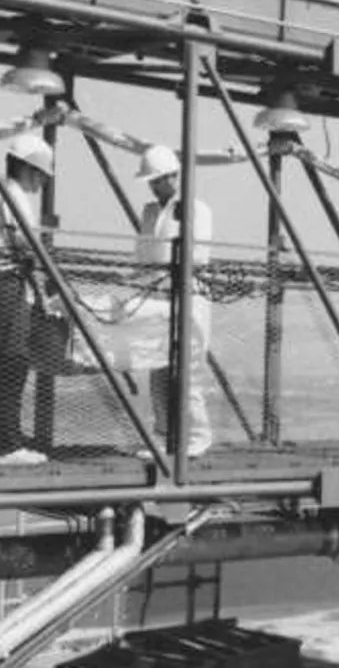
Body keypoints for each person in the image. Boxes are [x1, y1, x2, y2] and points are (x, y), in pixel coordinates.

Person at [0, 133, 55, 466]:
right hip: (0, 283)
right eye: (42, 173)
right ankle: (7, 445)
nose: (44, 181)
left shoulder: (0, 195)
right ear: (29, 168)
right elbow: (26, 245)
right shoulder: (13, 197)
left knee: (8, 360)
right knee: (14, 360)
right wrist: (50, 273)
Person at [133, 145, 214, 459]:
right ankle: (163, 434)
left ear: (173, 176)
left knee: (188, 368)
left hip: (188, 297)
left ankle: (197, 436)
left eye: (159, 179)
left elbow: (198, 257)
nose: (156, 186)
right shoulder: (150, 212)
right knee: (157, 366)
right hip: (156, 297)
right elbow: (142, 252)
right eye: (152, 181)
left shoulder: (196, 209)